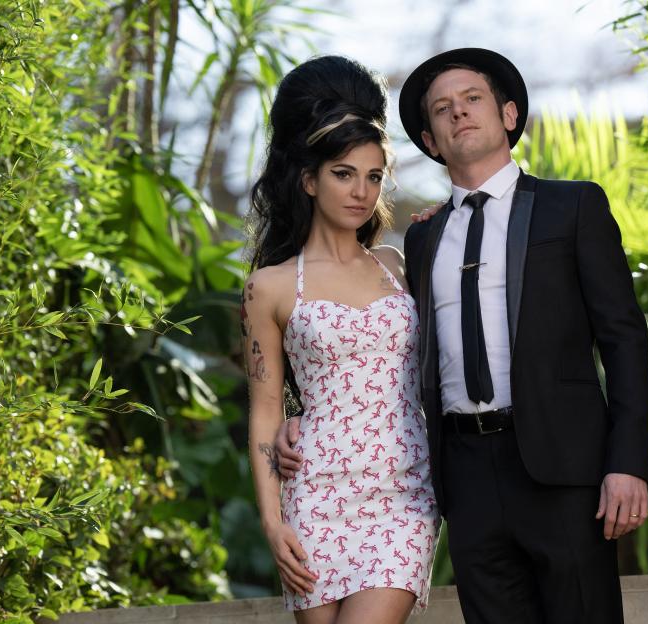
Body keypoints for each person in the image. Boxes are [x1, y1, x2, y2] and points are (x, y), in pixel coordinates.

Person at [276, 48, 648, 624]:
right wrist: (295, 412)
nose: (458, 113)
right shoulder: (421, 243)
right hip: (465, 479)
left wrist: (628, 462)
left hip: (564, 470)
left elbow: (624, 339)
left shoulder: (572, 206)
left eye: (472, 98)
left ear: (508, 115)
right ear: (429, 141)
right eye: (442, 109)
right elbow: (361, 345)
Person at [240, 55, 438, 624]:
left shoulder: (399, 266)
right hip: (315, 496)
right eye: (344, 174)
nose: (361, 192)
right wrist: (274, 523)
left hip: (404, 493)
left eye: (373, 177)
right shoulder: (270, 287)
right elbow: (265, 410)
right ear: (309, 179)